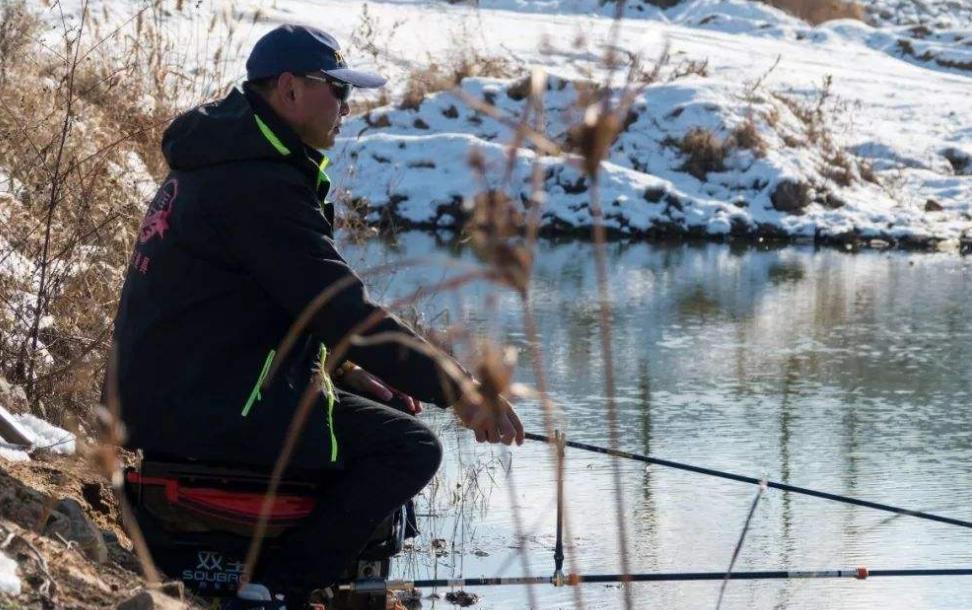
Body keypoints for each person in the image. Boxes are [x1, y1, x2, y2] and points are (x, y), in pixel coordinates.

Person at [108, 24, 524, 608]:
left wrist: (349, 373)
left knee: (383, 407)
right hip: (206, 406)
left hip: (194, 387)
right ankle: (272, 588)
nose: (346, 106)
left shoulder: (233, 157)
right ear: (288, 88)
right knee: (409, 448)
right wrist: (460, 391)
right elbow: (343, 312)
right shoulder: (255, 184)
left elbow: (276, 308)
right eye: (336, 89)